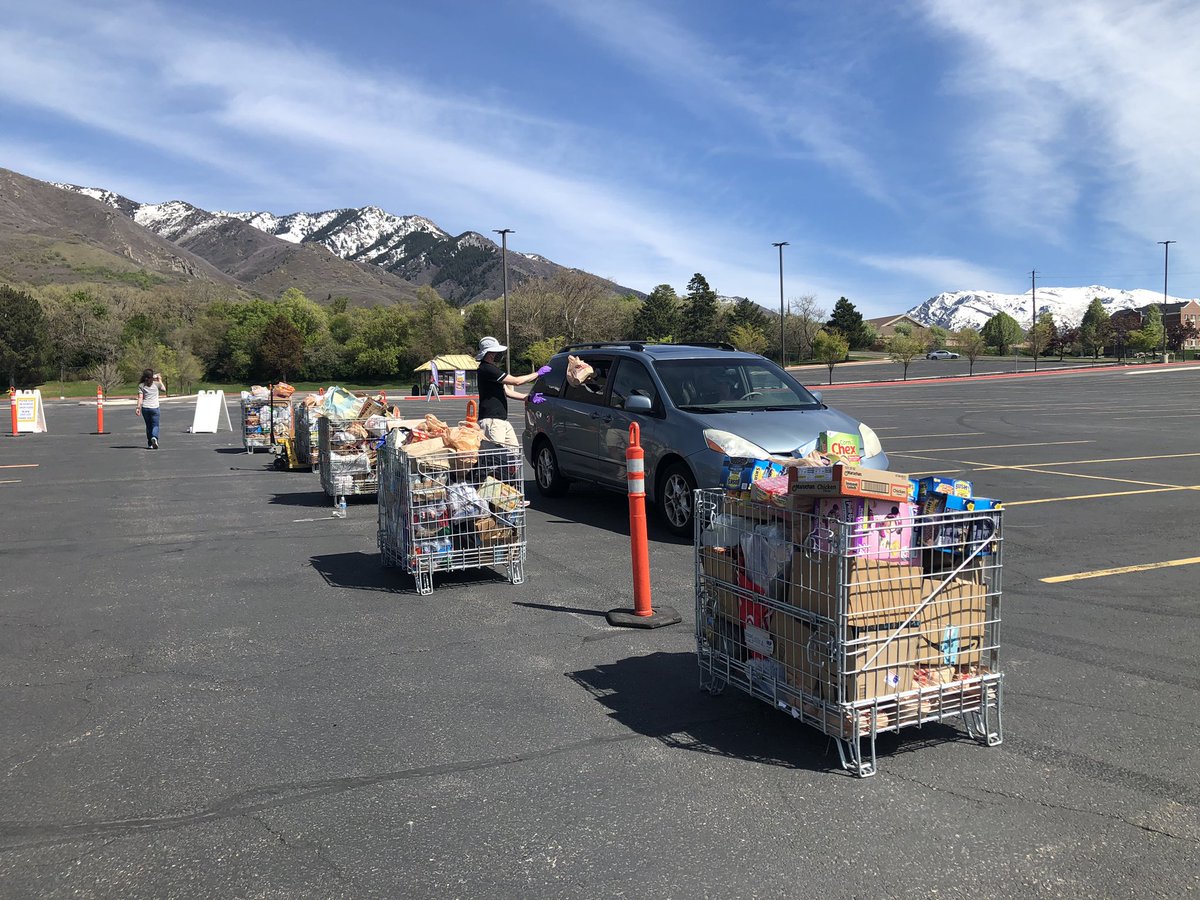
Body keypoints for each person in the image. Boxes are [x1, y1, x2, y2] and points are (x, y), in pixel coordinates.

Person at [474, 336, 548, 448]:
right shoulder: (487, 369)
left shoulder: (491, 370)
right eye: (495, 352)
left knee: (513, 453)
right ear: (490, 354)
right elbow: (516, 381)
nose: (497, 355)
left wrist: (527, 397)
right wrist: (537, 374)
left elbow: (507, 392)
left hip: (501, 420)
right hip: (492, 421)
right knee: (497, 457)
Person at [134, 369, 167, 450]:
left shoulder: (141, 385)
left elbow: (140, 398)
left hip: (145, 408)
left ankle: (150, 444)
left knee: (148, 426)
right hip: (155, 408)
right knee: (155, 425)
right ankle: (154, 437)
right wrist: (160, 380)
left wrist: (138, 407)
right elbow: (164, 389)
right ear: (152, 376)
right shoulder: (156, 384)